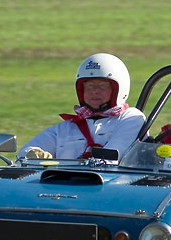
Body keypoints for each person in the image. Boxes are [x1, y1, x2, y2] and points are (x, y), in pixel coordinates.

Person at [18, 53, 147, 160]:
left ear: (118, 89)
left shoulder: (131, 117)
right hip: (68, 187)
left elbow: (111, 157)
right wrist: (33, 153)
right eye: (89, 86)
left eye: (102, 85)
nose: (95, 91)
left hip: (114, 187)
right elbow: (23, 153)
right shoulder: (66, 128)